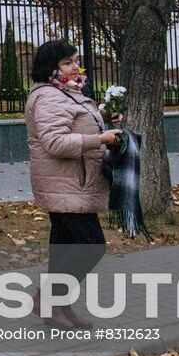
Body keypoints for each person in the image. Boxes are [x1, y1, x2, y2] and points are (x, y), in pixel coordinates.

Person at [24, 39, 122, 327]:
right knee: (91, 246)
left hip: (74, 184)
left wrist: (104, 119)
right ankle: (46, 299)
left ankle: (60, 308)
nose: (74, 66)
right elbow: (54, 142)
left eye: (75, 60)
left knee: (65, 246)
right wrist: (99, 139)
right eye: (67, 62)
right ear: (51, 68)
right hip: (66, 184)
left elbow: (73, 124)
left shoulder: (68, 93)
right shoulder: (49, 97)